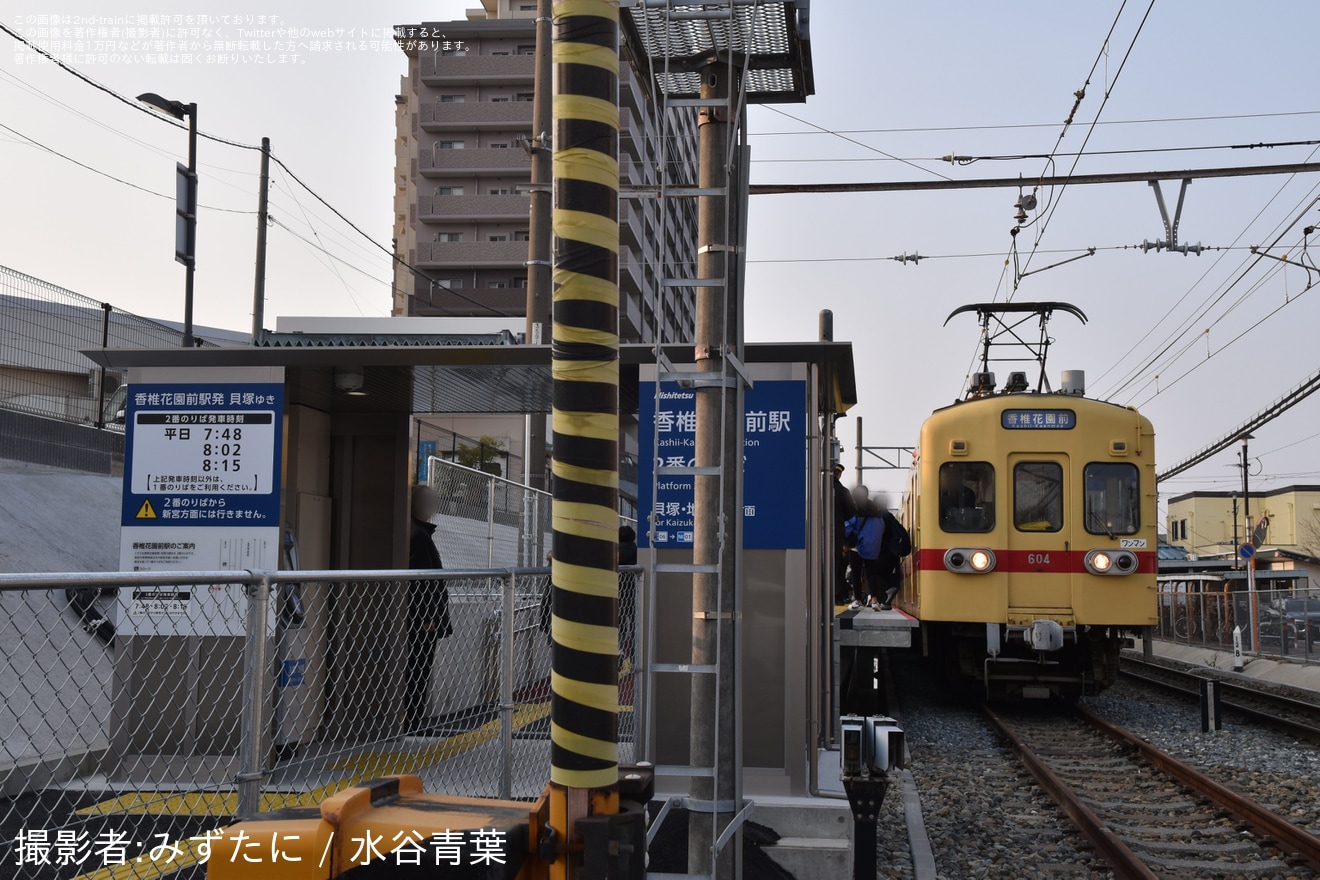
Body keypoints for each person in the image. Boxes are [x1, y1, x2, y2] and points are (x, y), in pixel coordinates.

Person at [405, 485, 453, 732]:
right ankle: (413, 722)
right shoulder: (419, 535)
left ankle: (413, 720)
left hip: (417, 617)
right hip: (422, 620)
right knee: (418, 668)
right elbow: (423, 581)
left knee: (416, 668)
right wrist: (428, 616)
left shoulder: (416, 532)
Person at [844, 489, 886, 611]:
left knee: (856, 574)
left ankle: (857, 600)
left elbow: (848, 527)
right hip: (872, 547)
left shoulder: (856, 509)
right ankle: (874, 600)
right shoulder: (875, 510)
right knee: (871, 574)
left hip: (857, 547)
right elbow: (881, 528)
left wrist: (846, 540)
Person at [871, 493, 912, 610]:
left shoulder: (878, 517)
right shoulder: (890, 517)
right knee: (886, 575)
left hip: (882, 551)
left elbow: (877, 535)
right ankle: (886, 602)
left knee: (874, 574)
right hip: (893, 553)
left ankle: (888, 592)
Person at [832, 465, 857, 604]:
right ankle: (837, 596)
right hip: (836, 534)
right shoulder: (843, 491)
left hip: (815, 534)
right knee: (837, 566)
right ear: (839, 475)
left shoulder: (816, 488)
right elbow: (850, 513)